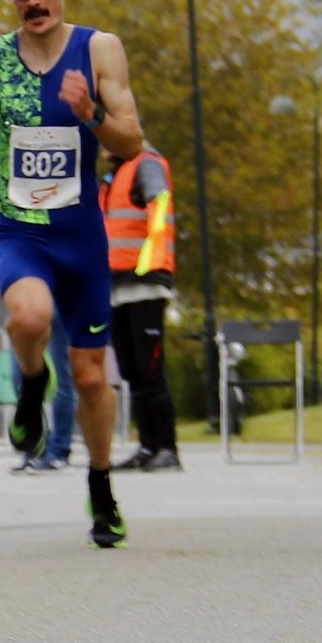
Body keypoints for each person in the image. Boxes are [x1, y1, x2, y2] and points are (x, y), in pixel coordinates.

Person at [0, 0, 144, 548]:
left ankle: (102, 489)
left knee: (89, 380)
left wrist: (89, 114)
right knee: (28, 317)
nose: (33, 2)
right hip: (20, 231)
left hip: (81, 236)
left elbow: (132, 141)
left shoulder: (98, 49)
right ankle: (32, 385)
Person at [103, 144, 181, 472]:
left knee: (150, 370)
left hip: (144, 283)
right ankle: (148, 447)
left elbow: (158, 205)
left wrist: (151, 261)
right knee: (133, 372)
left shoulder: (145, 164)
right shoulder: (116, 174)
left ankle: (167, 448)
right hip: (118, 286)